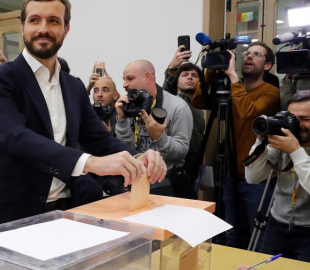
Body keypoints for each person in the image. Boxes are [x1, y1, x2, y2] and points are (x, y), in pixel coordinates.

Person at [0, 0, 167, 230]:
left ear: (66, 29)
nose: (43, 28)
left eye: (53, 21)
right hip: (9, 215)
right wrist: (90, 163)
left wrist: (137, 157)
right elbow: (14, 137)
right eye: (35, 20)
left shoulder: (73, 87)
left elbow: (98, 139)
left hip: (65, 212)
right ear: (22, 27)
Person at [192, 41, 280, 249]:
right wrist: (211, 72)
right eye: (247, 53)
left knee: (256, 233)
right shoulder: (233, 88)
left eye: (256, 54)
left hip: (257, 176)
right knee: (230, 231)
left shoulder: (271, 93)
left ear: (267, 65)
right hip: (230, 173)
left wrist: (233, 78)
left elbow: (248, 112)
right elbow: (199, 101)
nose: (248, 57)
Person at [245, 91, 310, 262]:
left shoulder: (291, 145)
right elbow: (253, 177)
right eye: (292, 118)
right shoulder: (283, 140)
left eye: (304, 119)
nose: (297, 125)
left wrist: (296, 152)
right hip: (278, 223)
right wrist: (260, 141)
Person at [115, 59, 193, 197]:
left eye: (130, 79)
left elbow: (181, 152)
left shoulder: (178, 106)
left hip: (165, 182)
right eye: (124, 79)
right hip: (135, 178)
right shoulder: (129, 106)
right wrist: (121, 120)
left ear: (147, 77)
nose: (124, 85)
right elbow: (125, 148)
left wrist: (158, 136)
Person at [163, 46, 205, 182]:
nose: (189, 78)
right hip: (174, 167)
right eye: (185, 75)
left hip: (194, 167)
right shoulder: (173, 101)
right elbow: (167, 92)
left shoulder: (200, 105)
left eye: (194, 75)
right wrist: (172, 69)